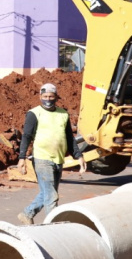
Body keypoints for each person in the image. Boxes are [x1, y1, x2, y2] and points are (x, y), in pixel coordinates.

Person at [14, 83, 87, 224]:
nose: (48, 99)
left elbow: (69, 137)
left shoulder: (63, 114)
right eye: (45, 96)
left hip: (58, 158)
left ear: (56, 97)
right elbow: (26, 136)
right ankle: (52, 225)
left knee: (48, 192)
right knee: (51, 196)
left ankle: (27, 214)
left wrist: (78, 156)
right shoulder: (34, 113)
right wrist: (22, 158)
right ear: (40, 96)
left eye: (51, 96)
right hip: (42, 158)